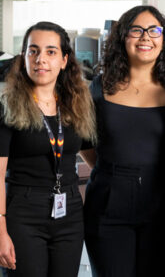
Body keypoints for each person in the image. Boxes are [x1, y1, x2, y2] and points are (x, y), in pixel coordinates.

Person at [81, 5, 165, 276]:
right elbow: (87, 143)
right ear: (123, 38)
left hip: (164, 201)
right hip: (108, 202)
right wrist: (116, 173)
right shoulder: (100, 87)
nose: (145, 37)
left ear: (164, 39)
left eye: (154, 30)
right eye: (136, 30)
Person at [0, 21, 96, 276]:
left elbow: (91, 154)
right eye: (33, 51)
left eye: (51, 52)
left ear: (64, 60)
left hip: (70, 211)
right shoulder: (7, 105)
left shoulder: (76, 104)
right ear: (24, 57)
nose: (41, 59)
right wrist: (0, 231)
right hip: (24, 213)